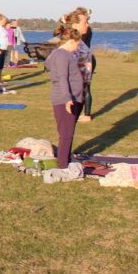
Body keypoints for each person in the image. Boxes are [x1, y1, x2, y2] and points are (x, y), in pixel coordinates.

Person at [45, 27, 84, 168]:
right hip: (64, 99)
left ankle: (66, 158)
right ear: (72, 41)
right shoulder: (61, 55)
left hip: (73, 97)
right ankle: (63, 165)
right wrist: (67, 99)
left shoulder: (61, 54)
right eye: (78, 42)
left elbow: (48, 64)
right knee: (66, 134)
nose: (79, 45)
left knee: (68, 132)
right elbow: (62, 77)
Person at [65, 8, 94, 122]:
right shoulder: (84, 30)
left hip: (84, 58)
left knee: (85, 88)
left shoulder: (84, 31)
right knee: (84, 88)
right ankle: (83, 113)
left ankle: (86, 114)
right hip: (85, 57)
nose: (87, 24)